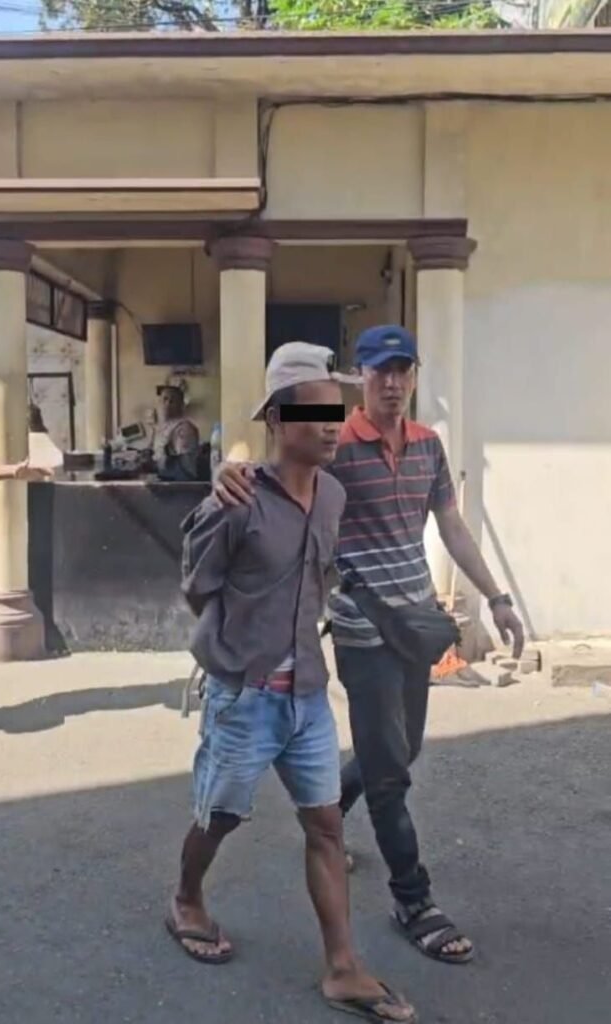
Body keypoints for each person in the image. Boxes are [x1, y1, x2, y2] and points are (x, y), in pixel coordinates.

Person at [214, 325, 525, 967]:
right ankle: (414, 899)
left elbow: (451, 525)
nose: (393, 382)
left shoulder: (429, 446)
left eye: (403, 370)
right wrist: (230, 469)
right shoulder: (338, 445)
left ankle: (329, 806)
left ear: (413, 377)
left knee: (402, 749)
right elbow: (280, 468)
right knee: (390, 774)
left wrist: (496, 597)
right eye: (381, 371)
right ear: (361, 378)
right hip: (362, 632)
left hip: (416, 627)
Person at [168, 342, 416, 1024]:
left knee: (326, 825)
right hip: (245, 696)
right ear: (278, 420)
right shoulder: (238, 499)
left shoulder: (333, 495)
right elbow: (198, 587)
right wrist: (241, 640)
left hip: (308, 693)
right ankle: (186, 897)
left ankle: (342, 967)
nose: (333, 427)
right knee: (220, 816)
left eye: (337, 412)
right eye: (317, 414)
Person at [153, 385, 200, 481]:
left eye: (172, 401)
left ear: (181, 405)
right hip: (166, 479)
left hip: (181, 482)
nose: (167, 404)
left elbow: (179, 462)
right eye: (164, 399)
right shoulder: (161, 428)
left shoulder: (184, 428)